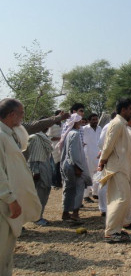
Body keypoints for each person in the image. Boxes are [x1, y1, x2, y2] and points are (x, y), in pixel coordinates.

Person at [0, 98, 41, 276]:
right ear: (11, 115)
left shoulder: (8, 135)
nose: (23, 117)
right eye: (22, 113)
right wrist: (10, 198)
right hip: (3, 203)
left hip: (8, 201)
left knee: (6, 252)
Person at [98, 98, 131, 243]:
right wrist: (102, 160)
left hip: (121, 167)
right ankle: (111, 232)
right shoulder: (117, 123)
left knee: (119, 198)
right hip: (117, 167)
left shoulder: (122, 124)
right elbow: (108, 144)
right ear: (123, 109)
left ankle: (116, 229)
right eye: (130, 108)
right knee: (121, 198)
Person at [60, 113, 92, 222]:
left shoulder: (69, 133)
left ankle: (65, 213)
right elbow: (73, 152)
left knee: (68, 189)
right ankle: (75, 213)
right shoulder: (75, 134)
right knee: (78, 189)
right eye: (79, 121)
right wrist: (77, 167)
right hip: (74, 166)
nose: (81, 122)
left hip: (68, 165)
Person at [26, 119, 54, 226]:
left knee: (44, 192)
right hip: (39, 168)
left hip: (45, 165)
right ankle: (36, 217)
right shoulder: (35, 137)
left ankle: (38, 215)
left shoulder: (44, 136)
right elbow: (33, 157)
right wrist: (35, 171)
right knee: (39, 193)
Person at [96, 111, 117, 217]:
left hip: (115, 160)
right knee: (104, 183)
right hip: (107, 159)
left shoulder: (120, 127)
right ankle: (103, 208)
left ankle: (109, 206)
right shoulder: (108, 127)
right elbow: (100, 143)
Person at [83, 113, 102, 203]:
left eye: (96, 119)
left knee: (98, 175)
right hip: (88, 155)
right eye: (93, 120)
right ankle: (86, 195)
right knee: (88, 176)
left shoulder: (99, 128)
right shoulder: (84, 129)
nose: (95, 121)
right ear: (89, 120)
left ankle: (95, 193)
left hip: (98, 155)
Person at [47, 110, 63, 188]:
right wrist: (59, 138)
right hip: (54, 148)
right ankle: (55, 183)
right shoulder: (52, 126)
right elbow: (48, 137)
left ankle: (60, 181)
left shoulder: (64, 124)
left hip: (62, 147)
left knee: (61, 165)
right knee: (55, 166)